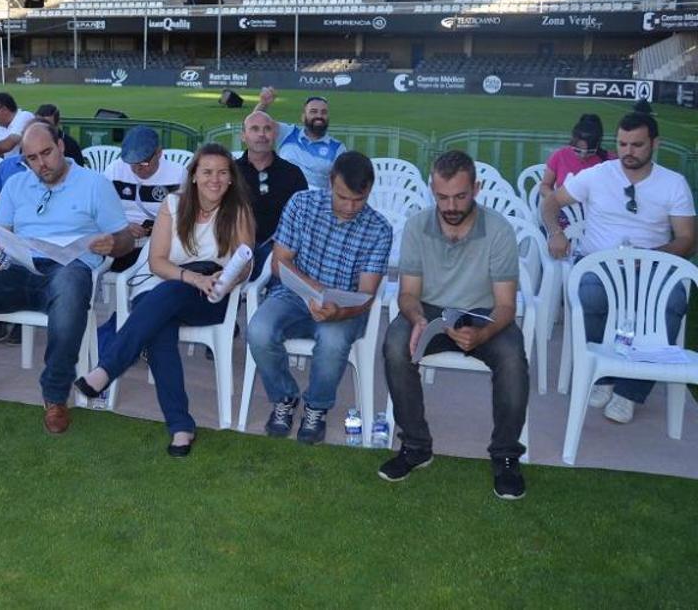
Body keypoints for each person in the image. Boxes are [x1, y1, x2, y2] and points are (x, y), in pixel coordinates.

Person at [0, 122, 133, 434]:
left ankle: (55, 396)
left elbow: (126, 239)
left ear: (60, 146)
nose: (41, 164)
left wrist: (113, 244)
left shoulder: (94, 184)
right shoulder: (16, 184)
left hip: (68, 268)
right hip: (18, 266)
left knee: (70, 285)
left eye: (46, 153)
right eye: (32, 158)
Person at [75, 144, 255, 456]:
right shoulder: (173, 204)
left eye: (222, 173)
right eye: (207, 172)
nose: (214, 179)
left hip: (211, 296)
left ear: (231, 178)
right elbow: (157, 262)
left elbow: (246, 264)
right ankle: (181, 426)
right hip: (165, 284)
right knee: (161, 325)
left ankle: (107, 368)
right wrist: (192, 278)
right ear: (194, 175)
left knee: (165, 298)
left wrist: (227, 278)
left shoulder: (239, 211)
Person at [380, 150, 528, 501]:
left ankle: (506, 455)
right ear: (432, 190)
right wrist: (418, 319)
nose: (451, 206)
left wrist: (483, 333)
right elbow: (408, 294)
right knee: (395, 346)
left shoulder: (498, 229)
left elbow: (506, 305)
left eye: (460, 196)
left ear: (476, 189)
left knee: (512, 359)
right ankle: (416, 445)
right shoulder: (417, 225)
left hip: (483, 312)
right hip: (429, 309)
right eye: (442, 197)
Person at [541, 112, 695, 424]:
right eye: (623, 144)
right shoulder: (598, 174)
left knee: (673, 300)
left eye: (637, 145)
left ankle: (630, 391)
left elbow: (688, 238)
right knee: (590, 295)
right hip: (599, 263)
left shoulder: (672, 183)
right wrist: (556, 233)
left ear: (655, 143)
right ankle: (603, 377)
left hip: (651, 268)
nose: (628, 151)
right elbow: (550, 203)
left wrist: (649, 256)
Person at [246, 151, 390, 444]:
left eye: (359, 200)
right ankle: (284, 397)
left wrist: (337, 310)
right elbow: (280, 261)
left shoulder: (379, 229)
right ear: (330, 182)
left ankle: (316, 406)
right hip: (292, 294)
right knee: (258, 330)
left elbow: (366, 294)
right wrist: (314, 290)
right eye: (342, 197)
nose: (350, 207)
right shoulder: (302, 204)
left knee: (333, 341)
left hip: (344, 306)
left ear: (369, 191)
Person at [234, 111, 308, 277]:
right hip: (236, 247)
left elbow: (303, 219)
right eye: (255, 129)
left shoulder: (292, 173)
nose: (262, 134)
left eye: (267, 129)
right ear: (243, 136)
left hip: (280, 251)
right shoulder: (231, 172)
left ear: (275, 134)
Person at [103, 125, 185, 271]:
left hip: (162, 240)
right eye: (132, 163)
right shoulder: (114, 170)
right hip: (121, 238)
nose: (138, 169)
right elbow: (99, 211)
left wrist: (157, 230)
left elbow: (185, 217)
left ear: (159, 153)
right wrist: (122, 226)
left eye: (144, 162)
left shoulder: (177, 175)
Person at [254, 90, 345, 191]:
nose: (319, 116)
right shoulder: (287, 133)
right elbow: (256, 122)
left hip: (312, 197)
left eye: (323, 112)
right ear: (303, 117)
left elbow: (339, 186)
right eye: (313, 112)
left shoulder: (337, 148)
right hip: (281, 192)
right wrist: (263, 104)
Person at [539, 114, 611, 194]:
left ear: (598, 144)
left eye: (590, 152)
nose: (583, 156)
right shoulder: (560, 155)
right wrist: (554, 198)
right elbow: (545, 185)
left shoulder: (609, 160)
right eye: (578, 151)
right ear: (573, 141)